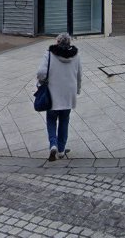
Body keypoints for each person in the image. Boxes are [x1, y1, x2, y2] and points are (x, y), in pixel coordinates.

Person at [37, 32, 82, 161]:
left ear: (57, 42)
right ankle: (61, 150)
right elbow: (79, 75)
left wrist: (41, 82)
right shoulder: (76, 56)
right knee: (64, 120)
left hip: (52, 94)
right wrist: (77, 90)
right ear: (69, 43)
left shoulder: (49, 54)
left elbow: (40, 73)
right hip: (68, 94)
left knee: (51, 120)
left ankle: (53, 144)